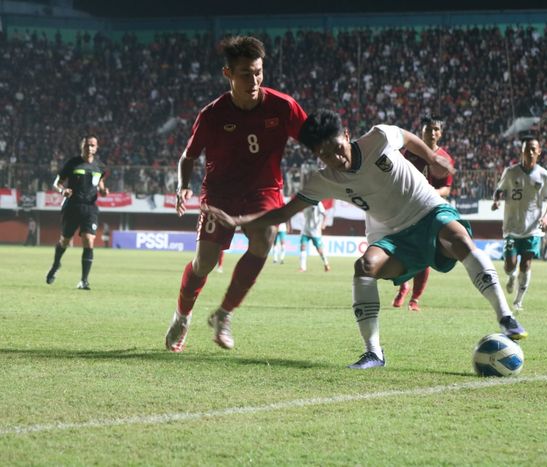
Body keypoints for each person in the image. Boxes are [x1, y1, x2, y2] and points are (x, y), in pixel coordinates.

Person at [203, 110, 527, 369]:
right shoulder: (323, 181)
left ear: (347, 135)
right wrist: (238, 220)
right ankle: (374, 353)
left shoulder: (377, 137)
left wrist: (431, 156)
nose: (337, 159)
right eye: (326, 155)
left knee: (458, 238)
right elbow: (284, 212)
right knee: (365, 266)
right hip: (391, 234)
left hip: (428, 210)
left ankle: (505, 315)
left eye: (338, 148)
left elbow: (408, 137)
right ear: (317, 156)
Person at [164, 35, 307, 353]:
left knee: (265, 236)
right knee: (205, 263)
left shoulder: (282, 106)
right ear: (227, 73)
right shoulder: (213, 114)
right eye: (245, 73)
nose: (254, 79)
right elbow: (188, 157)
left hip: (264, 189)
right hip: (220, 192)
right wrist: (183, 187)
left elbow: (312, 135)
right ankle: (182, 316)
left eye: (258, 71)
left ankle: (224, 314)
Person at [392, 115, 453, 312]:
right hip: (407, 208)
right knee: (402, 252)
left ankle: (415, 299)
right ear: (422, 132)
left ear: (440, 133)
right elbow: (398, 176)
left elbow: (447, 189)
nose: (432, 132)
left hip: (430, 210)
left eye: (436, 129)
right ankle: (403, 286)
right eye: (428, 129)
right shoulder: (408, 153)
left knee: (425, 254)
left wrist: (431, 192)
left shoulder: (445, 158)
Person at [491, 135, 547, 312]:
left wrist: (546, 217)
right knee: (509, 265)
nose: (530, 152)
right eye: (527, 149)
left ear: (539, 152)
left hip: (533, 229)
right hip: (512, 228)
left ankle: (518, 301)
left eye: (534, 149)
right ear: (522, 150)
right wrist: (496, 201)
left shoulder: (544, 175)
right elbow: (499, 190)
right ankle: (511, 276)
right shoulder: (511, 172)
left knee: (526, 265)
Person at [46, 135, 109, 290]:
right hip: (72, 206)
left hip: (90, 208)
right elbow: (57, 183)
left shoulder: (100, 167)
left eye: (92, 145)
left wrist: (103, 191)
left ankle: (84, 280)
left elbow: (100, 183)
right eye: (87, 145)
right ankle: (56, 264)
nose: (89, 148)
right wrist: (62, 191)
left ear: (97, 147)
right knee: (65, 241)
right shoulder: (72, 163)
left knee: (89, 240)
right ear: (82, 146)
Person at [299, 203, 330, 272]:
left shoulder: (318, 203)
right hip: (305, 230)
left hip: (315, 230)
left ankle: (326, 263)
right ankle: (302, 267)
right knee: (302, 247)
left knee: (319, 250)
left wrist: (323, 224)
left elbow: (325, 215)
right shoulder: (304, 202)